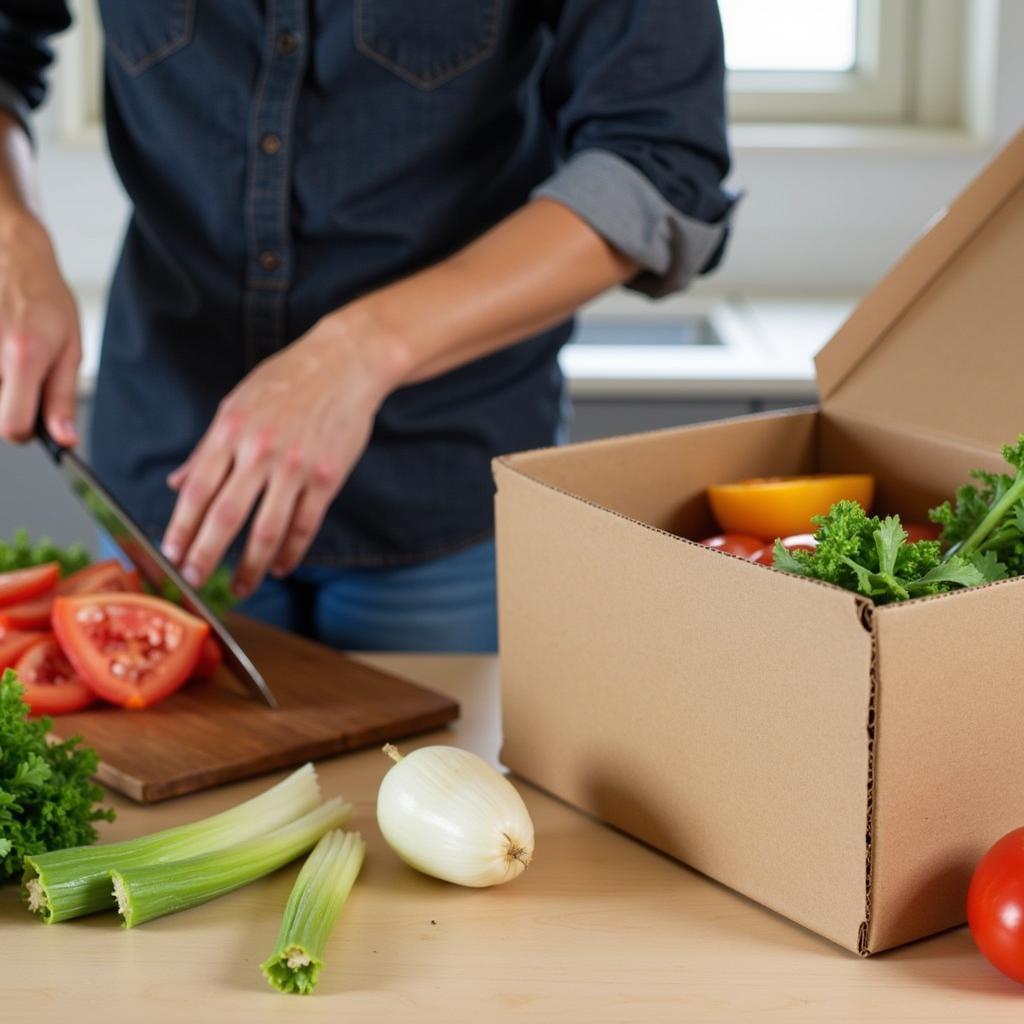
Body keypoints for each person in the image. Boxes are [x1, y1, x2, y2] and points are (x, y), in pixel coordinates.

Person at [0, 2, 734, 653]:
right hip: (170, 471)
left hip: (447, 493)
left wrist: (359, 351)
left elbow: (660, 162)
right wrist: (12, 234)